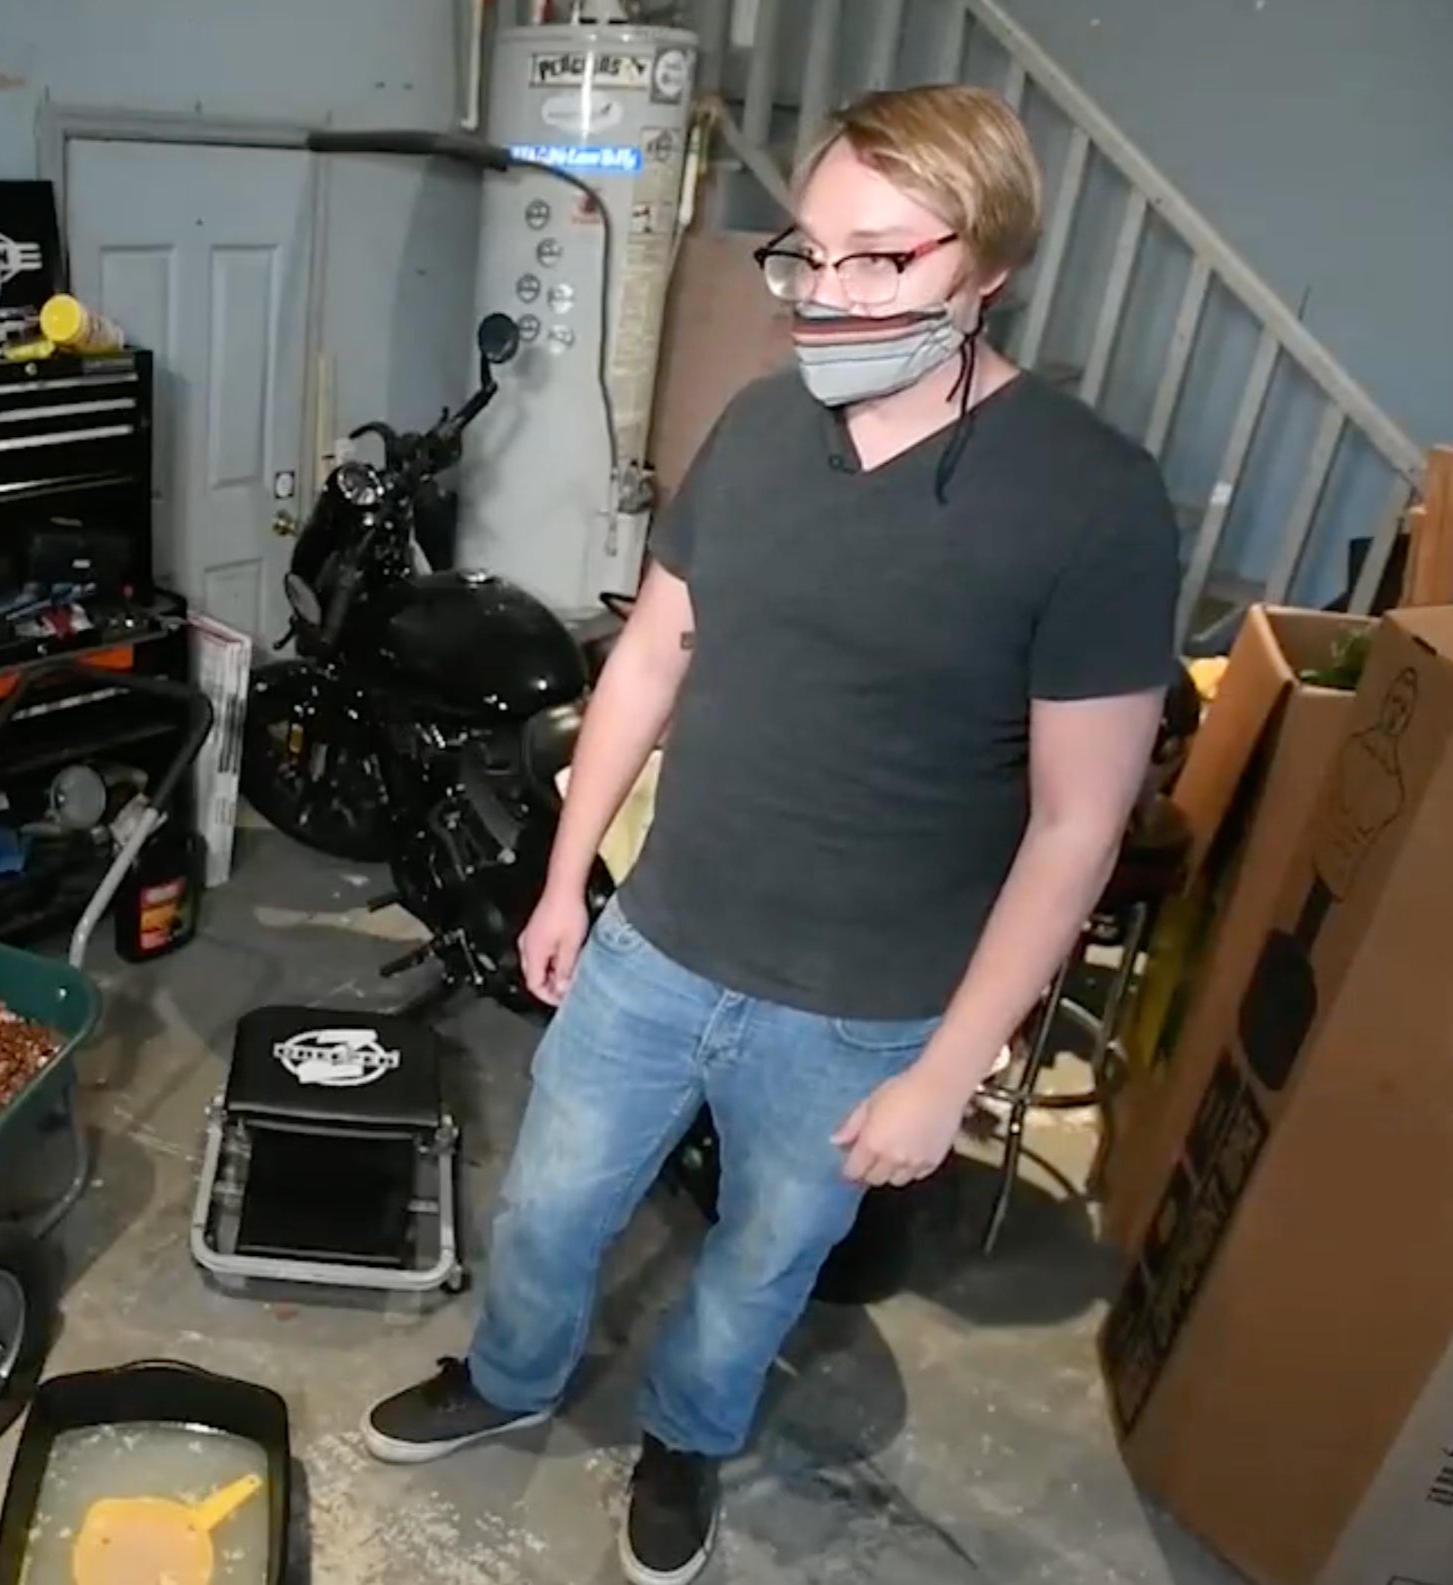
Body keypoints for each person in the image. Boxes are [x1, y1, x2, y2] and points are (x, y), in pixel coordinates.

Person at [359, 83, 1181, 1584]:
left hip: (863, 1012)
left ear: (989, 263)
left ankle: (687, 1432)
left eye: (884, 260)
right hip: (661, 941)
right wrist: (566, 873)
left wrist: (948, 1071)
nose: (830, 297)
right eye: (808, 255)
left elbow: (1076, 823)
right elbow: (651, 658)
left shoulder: (1092, 501)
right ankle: (511, 1376)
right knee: (549, 1197)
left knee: (757, 1264)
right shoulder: (755, 429)